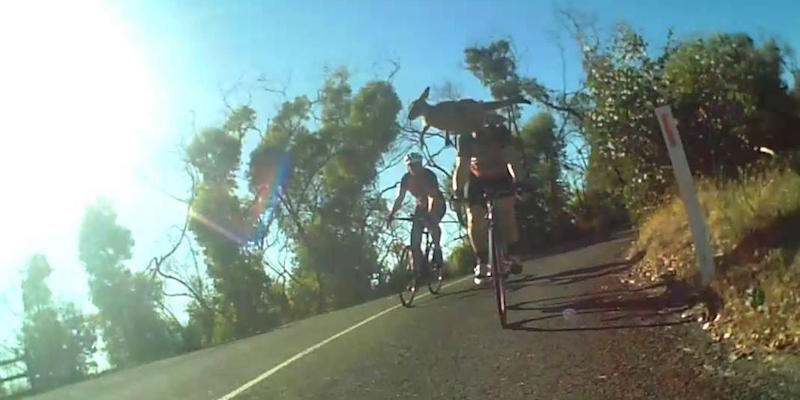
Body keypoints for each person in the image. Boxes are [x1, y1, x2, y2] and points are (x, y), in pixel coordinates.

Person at [452, 122, 524, 285]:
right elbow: (462, 167)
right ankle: (482, 262)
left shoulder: (499, 131)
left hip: (500, 177)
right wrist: (457, 193)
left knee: (506, 211)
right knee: (474, 218)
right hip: (477, 179)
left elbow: (512, 160)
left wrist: (519, 183)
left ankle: (512, 254)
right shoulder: (465, 138)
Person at [387, 152, 446, 271]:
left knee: (432, 222)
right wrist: (392, 214)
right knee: (415, 239)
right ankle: (417, 272)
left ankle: (437, 248)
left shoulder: (429, 175)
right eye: (410, 166)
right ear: (407, 167)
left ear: (421, 164)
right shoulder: (405, 179)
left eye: (416, 165)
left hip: (436, 202)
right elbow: (400, 198)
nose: (413, 168)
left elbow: (432, 196)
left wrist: (430, 215)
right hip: (421, 206)